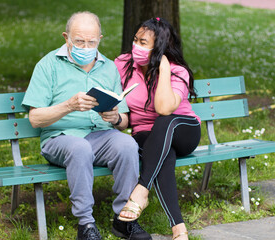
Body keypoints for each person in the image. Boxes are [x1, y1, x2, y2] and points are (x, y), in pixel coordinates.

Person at [22, 11, 152, 240]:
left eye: (91, 42)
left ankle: (124, 219)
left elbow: (123, 121)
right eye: (79, 41)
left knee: (127, 144)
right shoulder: (48, 65)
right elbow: (35, 118)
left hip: (100, 136)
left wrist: (114, 118)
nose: (86, 46)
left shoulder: (108, 67)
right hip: (59, 138)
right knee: (79, 148)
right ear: (66, 38)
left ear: (100, 38)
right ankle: (86, 225)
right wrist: (69, 105)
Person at [114, 17, 201, 240]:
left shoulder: (176, 71)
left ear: (159, 48)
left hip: (183, 129)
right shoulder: (123, 65)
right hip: (147, 135)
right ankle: (179, 230)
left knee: (164, 121)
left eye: (143, 43)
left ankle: (142, 190)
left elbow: (164, 108)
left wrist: (162, 67)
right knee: (164, 155)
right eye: (135, 40)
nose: (136, 47)